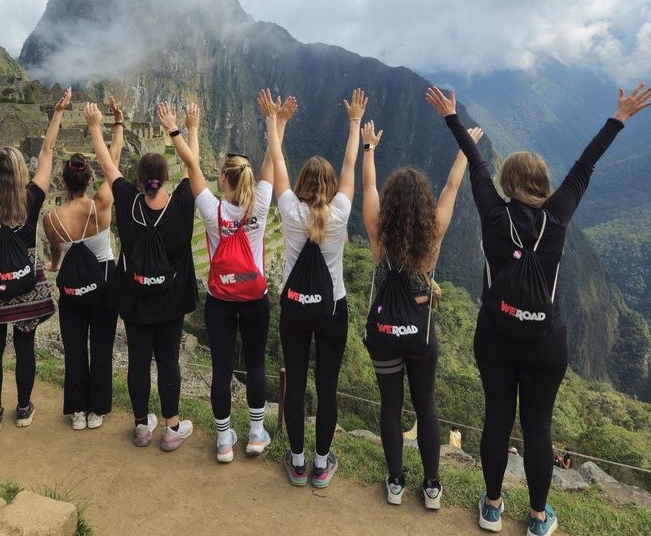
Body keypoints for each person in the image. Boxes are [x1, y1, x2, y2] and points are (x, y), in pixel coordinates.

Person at [428, 81, 651, 536]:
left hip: (495, 336)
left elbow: (477, 163)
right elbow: (585, 165)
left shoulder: (494, 215)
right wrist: (620, 117)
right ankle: (537, 518)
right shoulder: (559, 215)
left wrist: (452, 118)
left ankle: (492, 507)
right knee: (537, 428)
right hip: (545, 344)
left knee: (497, 419)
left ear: (508, 185)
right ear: (544, 185)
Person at [169, 94, 296, 463]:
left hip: (221, 300)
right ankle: (256, 434)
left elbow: (191, 167)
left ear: (222, 178)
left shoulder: (212, 209)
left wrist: (184, 129)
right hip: (255, 297)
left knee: (222, 368)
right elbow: (273, 160)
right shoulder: (259, 203)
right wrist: (277, 122)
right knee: (256, 363)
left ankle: (224, 440)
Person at [361, 116, 480, 508]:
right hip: (419, 333)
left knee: (390, 406)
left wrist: (369, 148)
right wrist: (465, 149)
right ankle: (431, 487)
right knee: (425, 404)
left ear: (391, 201)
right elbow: (452, 186)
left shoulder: (378, 228)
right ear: (422, 205)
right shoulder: (433, 233)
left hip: (382, 331)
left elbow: (366, 187)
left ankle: (395, 482)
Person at [261, 87, 367, 489]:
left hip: (294, 310)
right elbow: (350, 162)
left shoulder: (289, 210)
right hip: (332, 309)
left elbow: (277, 160)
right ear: (331, 186)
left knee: (298, 380)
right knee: (327, 385)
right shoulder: (339, 212)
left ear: (303, 183)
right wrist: (354, 122)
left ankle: (298, 460)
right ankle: (322, 464)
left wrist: (274, 120)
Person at [84, 99, 198, 452]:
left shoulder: (128, 202)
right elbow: (193, 167)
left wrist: (95, 125)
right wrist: (186, 128)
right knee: (168, 361)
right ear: (166, 178)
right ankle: (172, 426)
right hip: (170, 299)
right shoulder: (181, 203)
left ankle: (140, 426)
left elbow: (106, 163)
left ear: (138, 179)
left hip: (135, 298)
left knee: (138, 361)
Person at [0, 89, 68, 432]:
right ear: (22, 170)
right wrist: (57, 113)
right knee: (25, 347)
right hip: (27, 285)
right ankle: (23, 408)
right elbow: (48, 151)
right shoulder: (33, 198)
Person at [43, 97, 125, 431]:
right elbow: (114, 163)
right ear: (90, 180)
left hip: (73, 286)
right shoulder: (101, 205)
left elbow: (57, 255)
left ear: (63, 182)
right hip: (104, 280)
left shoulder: (51, 219)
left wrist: (55, 261)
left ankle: (76, 411)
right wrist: (114, 124)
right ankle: (97, 410)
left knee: (75, 347)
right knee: (102, 345)